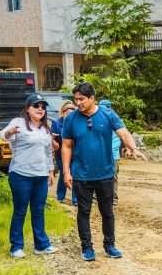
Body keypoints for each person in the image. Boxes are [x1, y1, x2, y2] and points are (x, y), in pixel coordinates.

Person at [61, 83, 147, 261]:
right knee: (83, 212)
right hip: (81, 175)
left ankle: (109, 245)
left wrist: (133, 148)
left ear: (92, 98)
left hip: (105, 174)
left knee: (107, 212)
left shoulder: (108, 114)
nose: (78, 103)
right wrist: (66, 171)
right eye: (76, 99)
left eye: (82, 99)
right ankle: (87, 248)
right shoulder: (71, 119)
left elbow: (124, 133)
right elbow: (66, 146)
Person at [0, 92, 58, 259]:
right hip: (21, 175)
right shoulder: (18, 123)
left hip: (41, 176)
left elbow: (48, 152)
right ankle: (16, 247)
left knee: (38, 211)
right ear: (28, 109)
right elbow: (3, 135)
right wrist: (10, 132)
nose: (40, 109)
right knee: (20, 211)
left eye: (43, 106)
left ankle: (42, 245)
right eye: (36, 106)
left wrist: (50, 171)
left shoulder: (45, 128)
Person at [50, 100, 78, 205]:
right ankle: (60, 197)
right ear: (63, 113)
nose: (70, 116)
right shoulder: (56, 123)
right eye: (68, 113)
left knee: (75, 174)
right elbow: (51, 137)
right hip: (60, 154)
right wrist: (53, 140)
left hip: (75, 154)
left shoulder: (77, 123)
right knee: (63, 174)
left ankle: (76, 199)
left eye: (72, 114)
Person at [98, 99, 122, 206]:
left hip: (112, 155)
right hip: (101, 154)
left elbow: (123, 136)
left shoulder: (116, 120)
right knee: (100, 176)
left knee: (112, 177)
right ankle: (101, 197)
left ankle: (113, 197)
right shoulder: (98, 120)